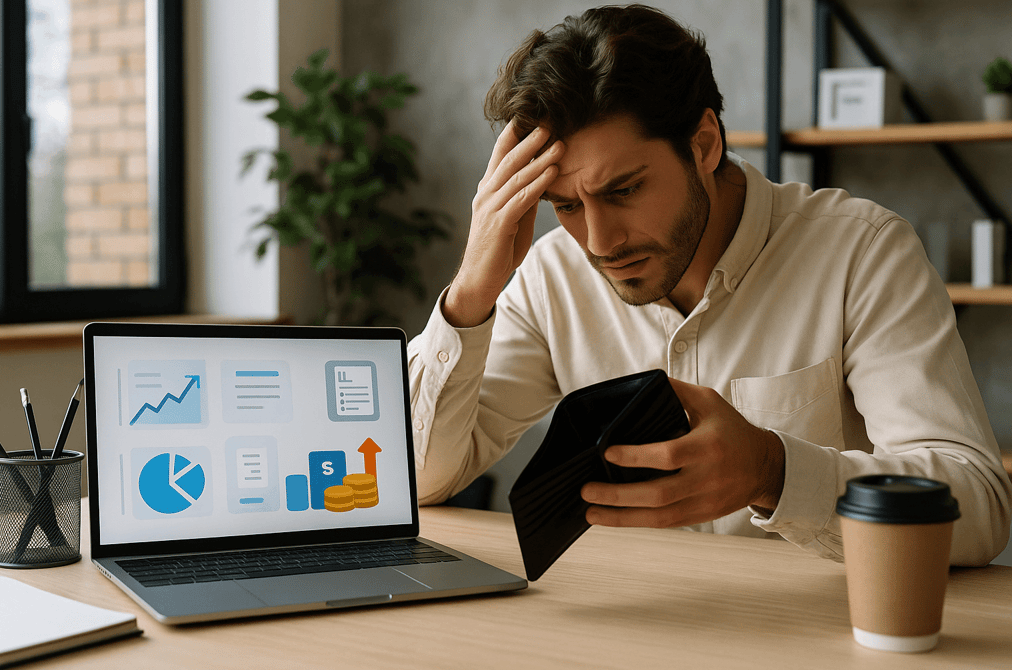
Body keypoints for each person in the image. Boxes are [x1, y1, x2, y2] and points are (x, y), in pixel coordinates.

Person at [407, 4, 1011, 565]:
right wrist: (469, 294)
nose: (598, 242)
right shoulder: (551, 277)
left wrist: (774, 472)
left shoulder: (862, 254)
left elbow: (980, 507)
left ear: (704, 144)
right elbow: (418, 480)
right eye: (563, 205)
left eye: (623, 191)